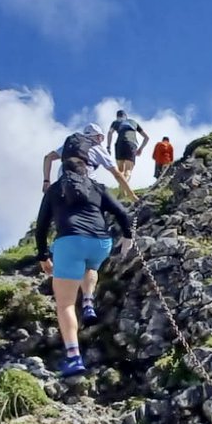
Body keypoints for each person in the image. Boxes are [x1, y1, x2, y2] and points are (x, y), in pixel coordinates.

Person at [35, 157, 133, 376]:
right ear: (86, 171)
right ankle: (88, 302)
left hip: (69, 243)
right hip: (100, 243)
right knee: (90, 267)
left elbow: (41, 226)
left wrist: (43, 255)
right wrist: (128, 237)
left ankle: (74, 357)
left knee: (66, 305)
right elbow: (122, 213)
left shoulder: (55, 190)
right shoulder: (97, 187)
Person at [42, 123, 137, 201]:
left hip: (63, 184)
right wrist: (131, 195)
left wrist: (46, 181)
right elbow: (117, 174)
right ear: (98, 137)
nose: (101, 141)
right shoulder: (98, 149)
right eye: (101, 138)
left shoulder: (71, 145)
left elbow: (48, 158)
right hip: (86, 186)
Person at [106, 110, 149, 182]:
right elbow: (146, 138)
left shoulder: (115, 122)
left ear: (117, 116)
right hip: (131, 144)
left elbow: (110, 133)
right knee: (128, 170)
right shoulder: (133, 122)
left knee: (120, 171)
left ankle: (122, 189)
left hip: (119, 144)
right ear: (126, 116)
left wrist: (108, 147)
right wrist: (140, 149)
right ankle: (125, 188)